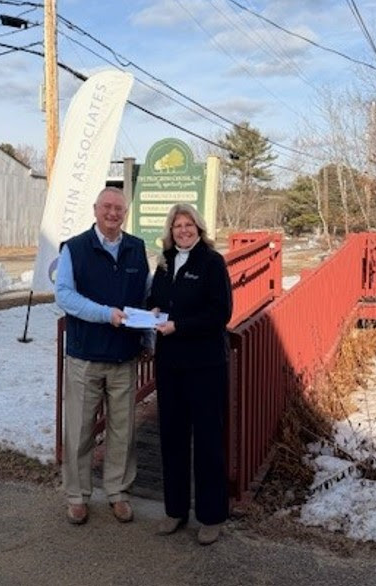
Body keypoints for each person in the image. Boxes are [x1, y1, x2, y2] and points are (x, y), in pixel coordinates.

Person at [55, 186, 149, 526]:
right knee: (80, 430)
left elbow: (145, 295)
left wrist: (149, 334)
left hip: (124, 356)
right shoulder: (75, 248)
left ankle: (118, 492)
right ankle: (77, 496)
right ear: (95, 209)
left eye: (118, 209)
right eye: (107, 207)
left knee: (123, 431)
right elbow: (64, 295)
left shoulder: (136, 248)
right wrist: (105, 314)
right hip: (85, 356)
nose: (112, 213)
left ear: (125, 213)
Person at [148, 203, 232, 545]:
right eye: (177, 225)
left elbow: (220, 313)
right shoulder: (164, 262)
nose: (183, 230)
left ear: (199, 228)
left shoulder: (212, 262)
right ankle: (175, 510)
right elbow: (156, 298)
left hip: (205, 365)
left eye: (188, 225)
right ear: (170, 231)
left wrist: (179, 325)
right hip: (170, 364)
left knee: (208, 441)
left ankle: (211, 516)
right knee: (172, 437)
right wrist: (153, 309)